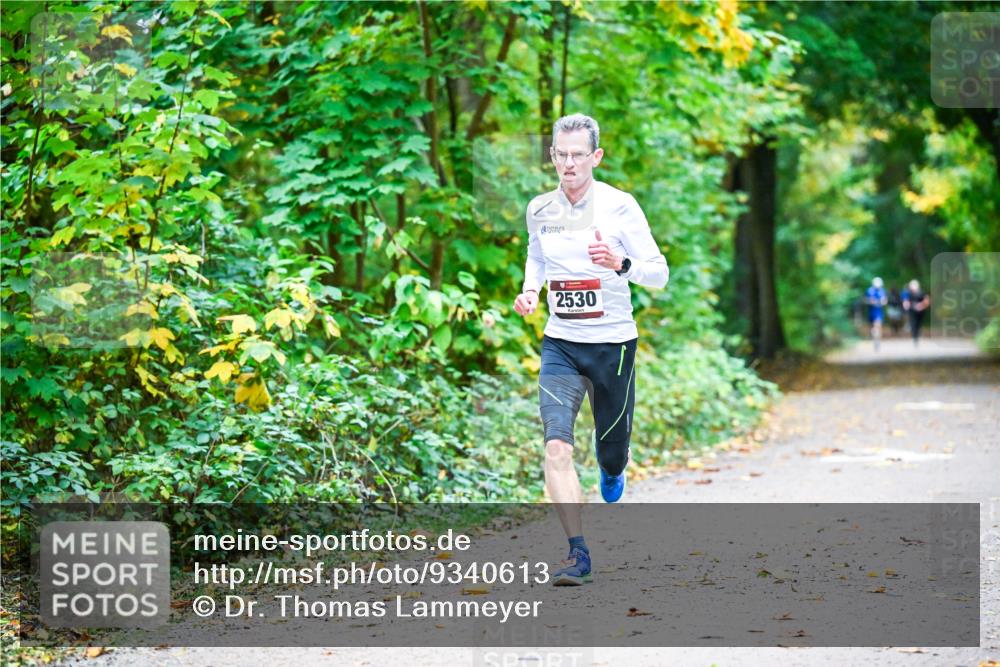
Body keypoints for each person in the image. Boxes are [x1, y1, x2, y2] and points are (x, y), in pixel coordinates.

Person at [512, 114, 669, 586]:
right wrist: (531, 290)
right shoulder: (539, 209)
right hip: (561, 343)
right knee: (556, 445)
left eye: (578, 155)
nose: (569, 164)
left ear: (595, 157)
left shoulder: (620, 207)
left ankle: (613, 466)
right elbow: (536, 255)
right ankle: (577, 553)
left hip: (613, 345)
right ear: (552, 156)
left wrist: (621, 263)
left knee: (611, 452)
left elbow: (659, 273)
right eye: (561, 154)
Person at [902, 279, 930, 346]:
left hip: (920, 311)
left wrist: (921, 305)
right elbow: (906, 301)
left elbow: (927, 301)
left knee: (918, 323)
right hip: (912, 311)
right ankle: (915, 337)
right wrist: (906, 304)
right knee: (913, 323)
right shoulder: (908, 293)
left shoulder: (922, 292)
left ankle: (917, 334)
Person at [864, 277, 888, 351]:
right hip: (871, 311)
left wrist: (882, 302)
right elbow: (866, 300)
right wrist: (871, 301)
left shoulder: (882, 291)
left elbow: (885, 300)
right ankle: (875, 338)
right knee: (873, 327)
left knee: (878, 325)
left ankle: (877, 341)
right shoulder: (869, 291)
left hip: (878, 311)